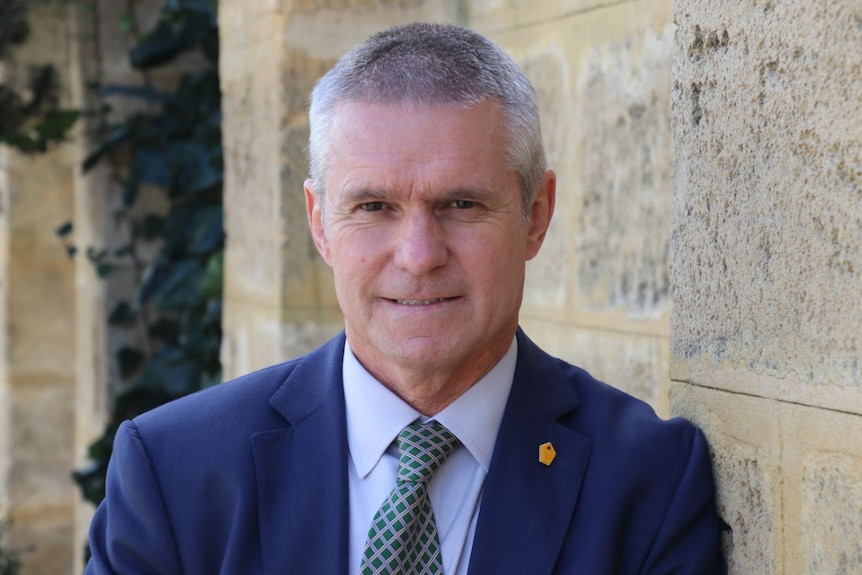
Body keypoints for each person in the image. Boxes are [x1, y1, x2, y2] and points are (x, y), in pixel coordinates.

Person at [85, 22, 725, 574]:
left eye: (461, 204)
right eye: (374, 206)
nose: (419, 255)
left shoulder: (648, 479)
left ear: (535, 215)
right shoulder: (173, 472)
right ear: (318, 221)